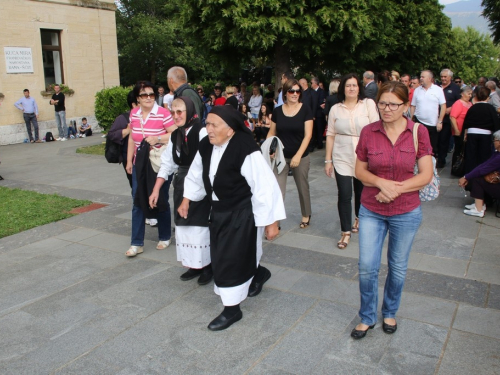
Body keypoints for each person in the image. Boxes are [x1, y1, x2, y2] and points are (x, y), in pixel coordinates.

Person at [179, 105, 285, 331]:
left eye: (213, 125)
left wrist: (271, 222)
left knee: (228, 260)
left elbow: (264, 187)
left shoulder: (245, 148)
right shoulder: (206, 145)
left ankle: (232, 309)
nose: (208, 129)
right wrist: (187, 198)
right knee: (230, 254)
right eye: (207, 123)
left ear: (230, 130)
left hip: (241, 213)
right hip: (218, 211)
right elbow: (196, 173)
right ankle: (259, 272)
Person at [352, 81, 434, 340]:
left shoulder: (418, 132)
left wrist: (395, 189)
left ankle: (389, 311)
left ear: (406, 106)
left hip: (406, 211)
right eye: (382, 103)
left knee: (397, 267)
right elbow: (360, 171)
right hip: (371, 208)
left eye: (393, 104)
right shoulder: (368, 132)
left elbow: (426, 175)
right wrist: (380, 183)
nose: (386, 109)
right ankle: (367, 316)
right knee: (367, 266)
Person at [149, 97, 213, 284]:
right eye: (173, 112)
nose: (175, 116)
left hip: (200, 183)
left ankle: (208, 266)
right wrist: (156, 190)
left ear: (190, 111)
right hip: (181, 182)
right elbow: (167, 164)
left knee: (200, 226)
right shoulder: (176, 135)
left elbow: (204, 163)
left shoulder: (201, 132)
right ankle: (194, 265)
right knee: (185, 226)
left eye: (180, 112)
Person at [325, 73, 379, 249]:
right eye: (348, 85)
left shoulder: (368, 104)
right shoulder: (335, 108)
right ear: (343, 88)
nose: (351, 88)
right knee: (345, 193)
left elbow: (377, 129)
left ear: (359, 87)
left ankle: (359, 218)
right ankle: (345, 232)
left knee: (361, 191)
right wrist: (328, 160)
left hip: (363, 155)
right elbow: (330, 135)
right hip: (341, 154)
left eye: (354, 85)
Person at [125, 81, 176, 257]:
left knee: (160, 198)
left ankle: (165, 236)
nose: (148, 98)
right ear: (137, 98)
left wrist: (159, 138)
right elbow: (132, 137)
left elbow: (175, 134)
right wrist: (129, 160)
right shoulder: (134, 113)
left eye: (151, 95)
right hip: (139, 163)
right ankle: (136, 243)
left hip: (158, 163)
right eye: (144, 95)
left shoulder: (162, 113)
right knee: (137, 200)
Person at [268, 78, 313, 228]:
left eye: (297, 91)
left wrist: (298, 155)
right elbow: (272, 133)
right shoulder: (277, 111)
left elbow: (308, 135)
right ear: (285, 93)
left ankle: (306, 214)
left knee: (302, 187)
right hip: (281, 156)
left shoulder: (305, 109)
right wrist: (270, 148)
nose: (295, 94)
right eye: (291, 91)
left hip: (300, 155)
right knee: (278, 190)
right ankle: (276, 221)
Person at [459, 130, 500, 217]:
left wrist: (466, 177)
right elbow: (484, 165)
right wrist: (468, 176)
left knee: (477, 180)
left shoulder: (498, 157)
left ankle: (479, 209)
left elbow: (483, 169)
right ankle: (480, 204)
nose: (493, 142)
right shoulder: (497, 154)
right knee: (477, 177)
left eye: (495, 140)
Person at [462, 86, 500, 175]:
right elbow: (496, 123)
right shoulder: (490, 108)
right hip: (485, 134)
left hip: (472, 133)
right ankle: (482, 173)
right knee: (484, 155)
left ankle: (469, 174)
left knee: (471, 155)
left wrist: (465, 133)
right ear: (488, 97)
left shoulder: (472, 108)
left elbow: (466, 122)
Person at [410, 70, 446, 158]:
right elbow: (413, 106)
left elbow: (443, 106)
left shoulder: (438, 90)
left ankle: (431, 165)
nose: (421, 79)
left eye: (423, 77)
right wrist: (411, 120)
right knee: (418, 145)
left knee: (432, 147)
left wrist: (440, 121)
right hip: (419, 121)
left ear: (429, 78)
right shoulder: (417, 90)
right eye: (420, 77)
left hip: (433, 124)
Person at [108, 90, 137, 189]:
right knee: (136, 187)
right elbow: (111, 134)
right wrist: (127, 130)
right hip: (129, 158)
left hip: (148, 157)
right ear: (134, 104)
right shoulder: (123, 118)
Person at [438, 69, 461, 168]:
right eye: (442, 76)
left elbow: (459, 102)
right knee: (435, 140)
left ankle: (441, 159)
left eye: (445, 77)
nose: (443, 78)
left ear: (450, 77)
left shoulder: (455, 88)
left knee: (444, 140)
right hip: (435, 117)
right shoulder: (436, 87)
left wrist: (450, 109)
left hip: (447, 119)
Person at [450, 86, 473, 171]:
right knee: (458, 149)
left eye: (471, 94)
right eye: (468, 93)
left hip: (467, 130)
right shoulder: (458, 103)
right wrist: (456, 130)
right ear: (462, 94)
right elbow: (452, 117)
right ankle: (456, 167)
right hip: (459, 130)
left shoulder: (469, 103)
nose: (470, 95)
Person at [311, 77, 326, 150]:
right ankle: (314, 144)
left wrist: (314, 105)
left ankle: (320, 144)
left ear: (315, 83)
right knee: (313, 130)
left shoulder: (321, 91)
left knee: (319, 129)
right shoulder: (311, 92)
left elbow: (320, 103)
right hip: (313, 113)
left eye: (312, 83)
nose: (311, 85)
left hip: (319, 114)